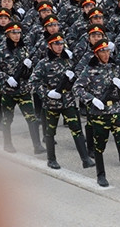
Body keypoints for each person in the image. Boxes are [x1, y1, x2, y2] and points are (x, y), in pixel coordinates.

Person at [74, 38, 120, 187]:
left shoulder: (114, 67)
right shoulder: (89, 70)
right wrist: (92, 99)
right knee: (99, 146)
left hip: (116, 111)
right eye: (102, 51)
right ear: (96, 53)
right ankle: (101, 175)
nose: (106, 54)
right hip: (99, 114)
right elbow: (77, 88)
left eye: (107, 51)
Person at [29, 32, 95, 170]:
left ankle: (85, 159)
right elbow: (33, 82)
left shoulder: (68, 61)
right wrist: (47, 93)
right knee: (50, 132)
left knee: (77, 130)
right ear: (50, 46)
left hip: (68, 101)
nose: (59, 47)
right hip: (51, 103)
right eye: (56, 44)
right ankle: (51, 159)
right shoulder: (43, 63)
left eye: (61, 44)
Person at [0, 22, 45, 154]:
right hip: (8, 92)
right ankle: (7, 143)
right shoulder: (1, 51)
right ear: (7, 34)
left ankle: (37, 145)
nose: (17, 35)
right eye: (14, 33)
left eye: (19, 32)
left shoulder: (24, 49)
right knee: (7, 119)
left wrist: (29, 66)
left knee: (32, 118)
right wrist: (6, 78)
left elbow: (31, 70)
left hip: (24, 90)